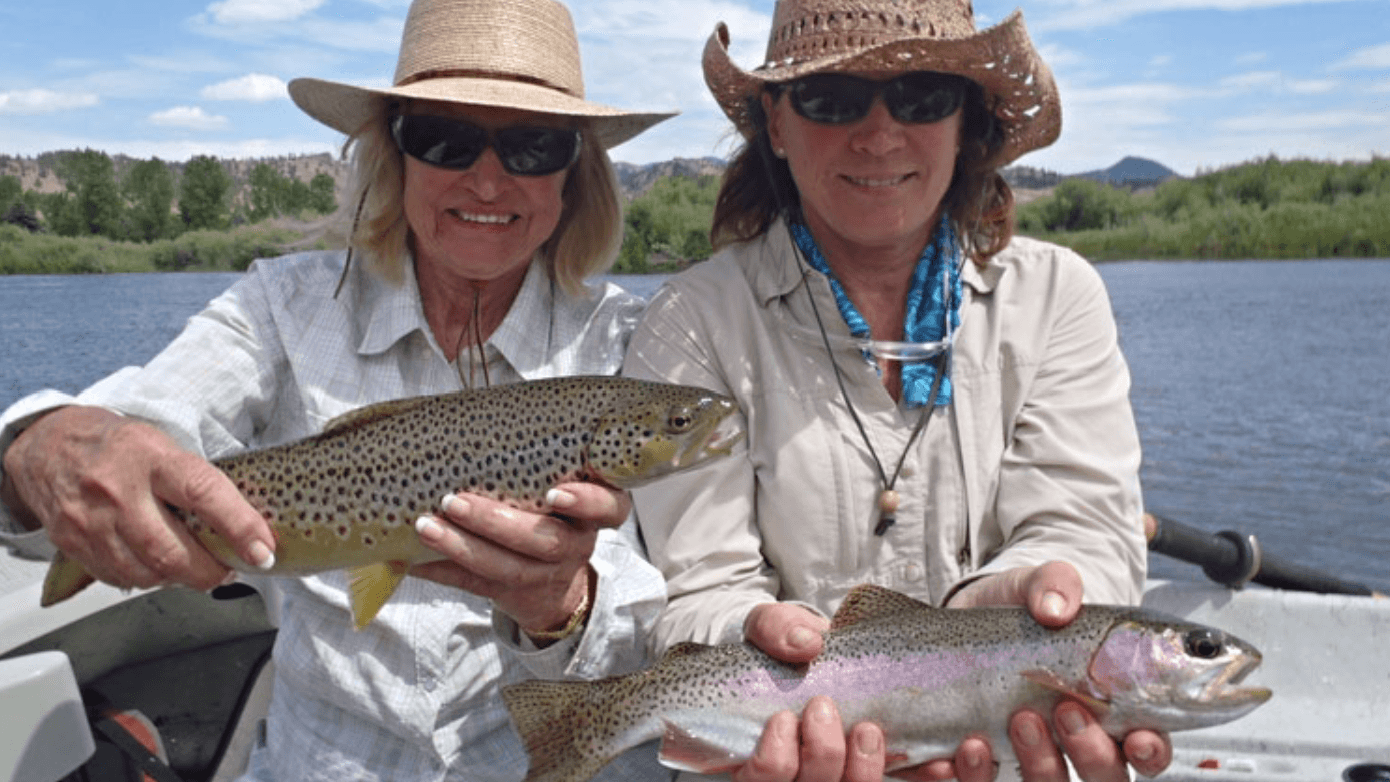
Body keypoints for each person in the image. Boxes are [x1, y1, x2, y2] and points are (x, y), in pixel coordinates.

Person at [0, 0, 678, 780]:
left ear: (574, 172)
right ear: (394, 156)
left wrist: (567, 608)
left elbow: (680, 613)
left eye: (533, 146)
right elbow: (149, 421)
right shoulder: (281, 307)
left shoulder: (639, 348)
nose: (488, 179)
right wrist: (41, 444)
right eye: (445, 139)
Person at [624, 0, 1171, 779]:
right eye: (832, 98)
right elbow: (699, 589)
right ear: (776, 125)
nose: (878, 134)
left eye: (920, 96)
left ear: (966, 121)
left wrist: (1027, 596)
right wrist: (751, 629)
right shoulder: (690, 322)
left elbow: (1086, 529)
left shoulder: (1059, 297)